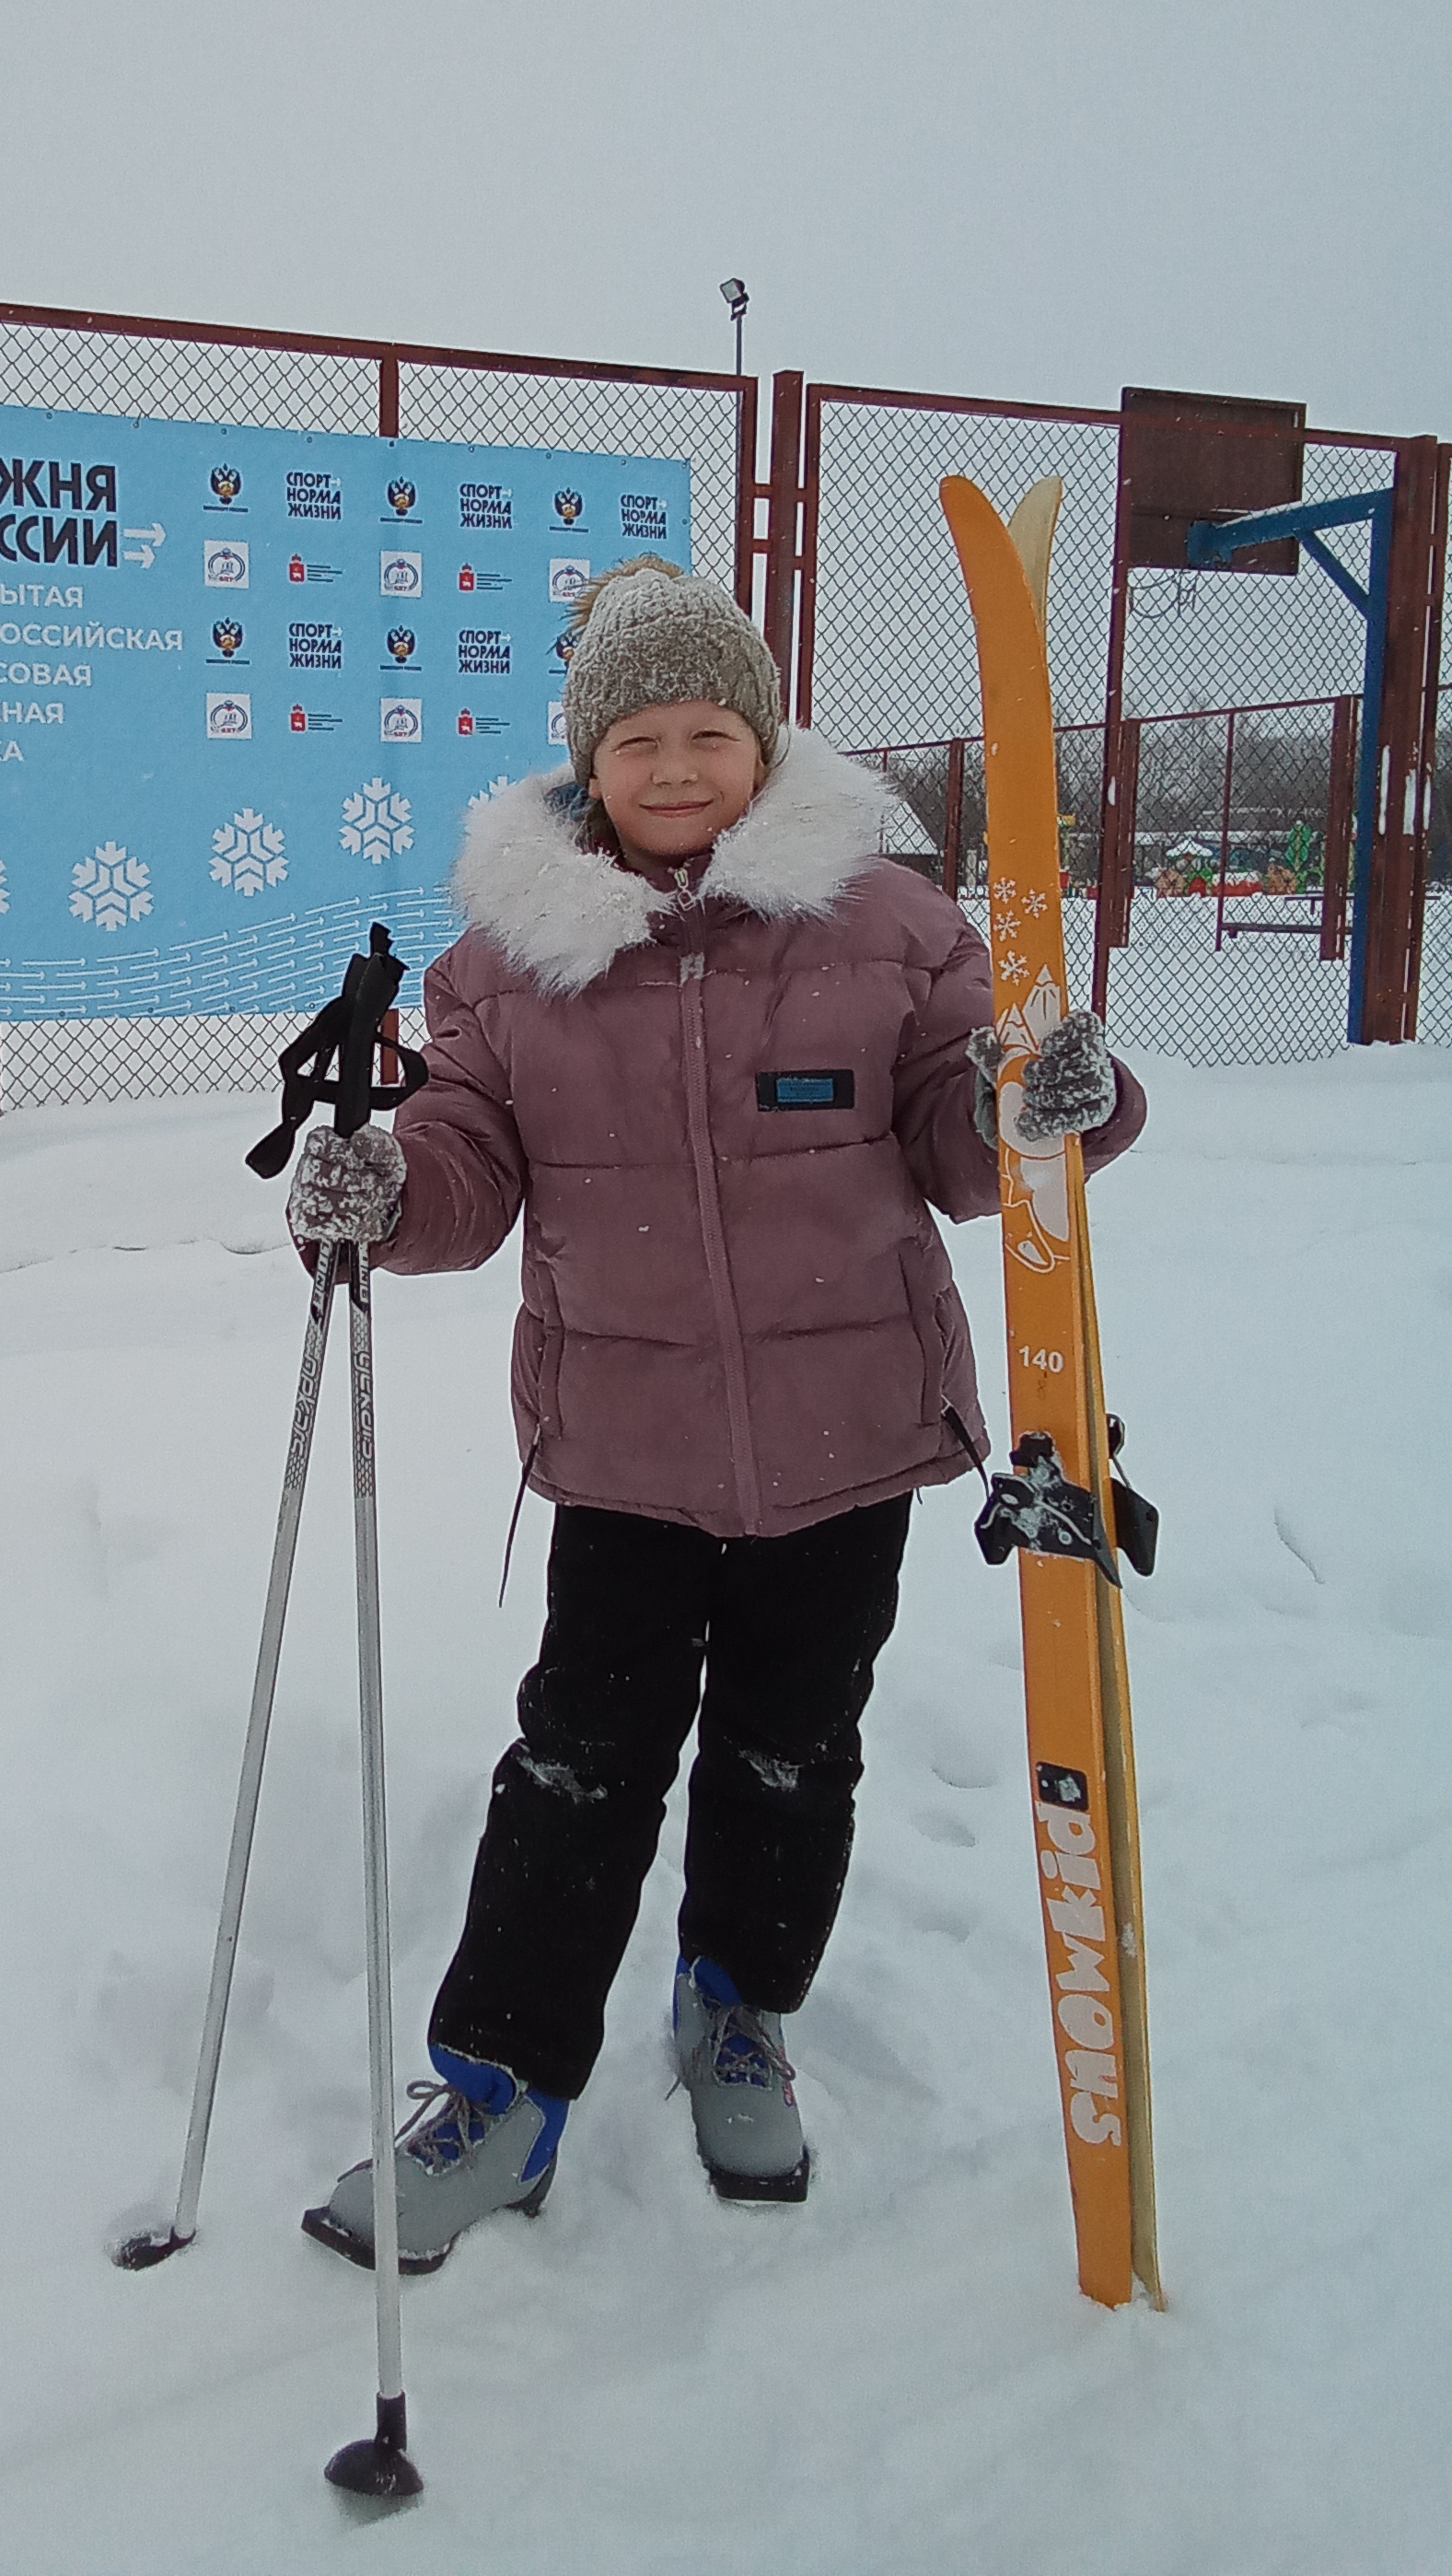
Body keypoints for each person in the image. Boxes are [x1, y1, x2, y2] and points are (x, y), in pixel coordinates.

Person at [285, 555, 1144, 2273]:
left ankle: (738, 2007)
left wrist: (1054, 1103)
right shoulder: (506, 966)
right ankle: (504, 2087)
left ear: (762, 743)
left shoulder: (890, 927)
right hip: (627, 1450)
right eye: (638, 743)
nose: (675, 770)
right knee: (579, 1762)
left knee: (792, 1747)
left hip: (851, 1437)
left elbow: (963, 1139)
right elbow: (468, 1159)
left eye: (707, 735)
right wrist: (389, 1193)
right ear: (586, 763)